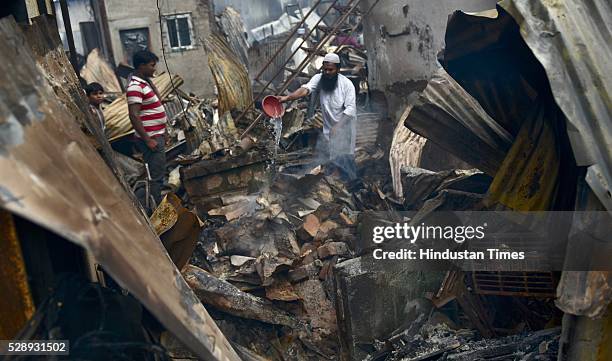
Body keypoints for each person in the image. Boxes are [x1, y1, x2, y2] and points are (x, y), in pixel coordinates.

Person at [278, 52, 357, 180]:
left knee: (345, 158)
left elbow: (350, 109)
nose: (327, 72)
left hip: (345, 126)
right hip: (329, 128)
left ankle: (352, 185)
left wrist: (338, 127)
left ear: (338, 69)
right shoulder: (319, 79)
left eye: (330, 70)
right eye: (325, 69)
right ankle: (333, 184)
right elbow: (305, 89)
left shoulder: (347, 85)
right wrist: (287, 98)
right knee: (331, 157)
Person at [127, 50, 168, 206]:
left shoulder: (145, 84)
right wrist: (148, 139)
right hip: (151, 139)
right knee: (156, 178)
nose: (154, 69)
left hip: (157, 136)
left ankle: (155, 207)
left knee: (158, 175)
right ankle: (154, 211)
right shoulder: (135, 87)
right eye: (152, 66)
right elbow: (134, 115)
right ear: (141, 66)